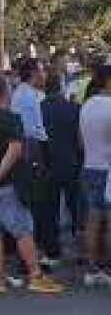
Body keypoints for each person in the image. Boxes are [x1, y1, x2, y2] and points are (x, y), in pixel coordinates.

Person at [0, 74, 65, 295]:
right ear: (5, 93)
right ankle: (35, 274)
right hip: (7, 184)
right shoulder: (11, 119)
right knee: (22, 230)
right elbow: (15, 149)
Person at [10, 58, 51, 267]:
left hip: (28, 147)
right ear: (34, 73)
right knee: (32, 201)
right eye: (42, 70)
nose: (44, 75)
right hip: (30, 149)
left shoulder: (23, 93)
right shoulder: (27, 96)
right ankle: (28, 256)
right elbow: (32, 129)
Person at [41, 71, 84, 266]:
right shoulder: (74, 109)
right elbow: (79, 138)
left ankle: (52, 250)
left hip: (47, 163)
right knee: (76, 207)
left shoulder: (39, 108)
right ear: (61, 87)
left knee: (50, 209)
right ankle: (82, 249)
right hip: (71, 162)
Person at [79, 64, 111, 288]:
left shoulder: (86, 105)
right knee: (109, 222)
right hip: (108, 168)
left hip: (89, 165)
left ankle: (92, 268)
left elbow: (80, 141)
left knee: (93, 218)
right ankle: (107, 266)